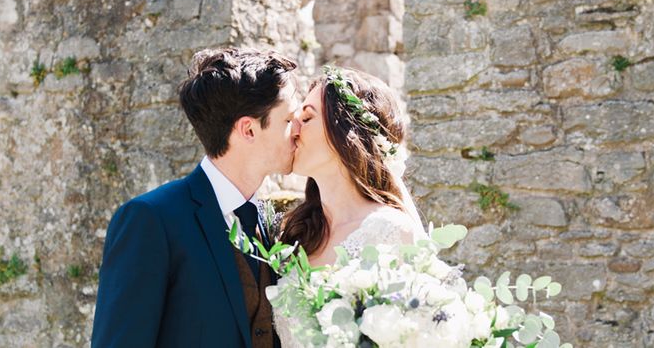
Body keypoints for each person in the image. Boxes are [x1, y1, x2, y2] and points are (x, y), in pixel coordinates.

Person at [91, 47, 299, 348]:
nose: (298, 131)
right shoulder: (152, 220)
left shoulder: (269, 220)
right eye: (288, 120)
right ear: (249, 129)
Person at [274, 64, 427, 346]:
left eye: (307, 118)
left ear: (344, 134)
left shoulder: (391, 232)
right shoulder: (293, 234)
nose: (293, 128)